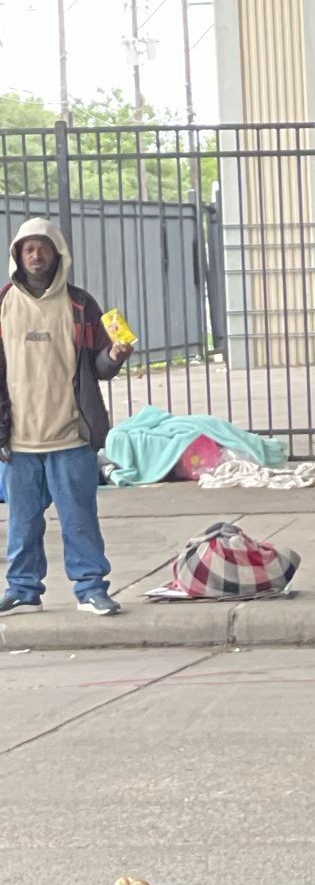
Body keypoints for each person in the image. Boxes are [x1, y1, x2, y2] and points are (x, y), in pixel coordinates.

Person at [0, 216, 131, 618]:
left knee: (80, 522)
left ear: (59, 254)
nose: (36, 254)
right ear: (18, 256)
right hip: (19, 441)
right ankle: (22, 588)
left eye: (43, 247)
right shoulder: (3, 302)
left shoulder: (80, 305)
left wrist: (115, 354)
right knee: (22, 525)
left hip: (72, 437)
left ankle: (91, 588)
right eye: (28, 248)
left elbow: (100, 366)